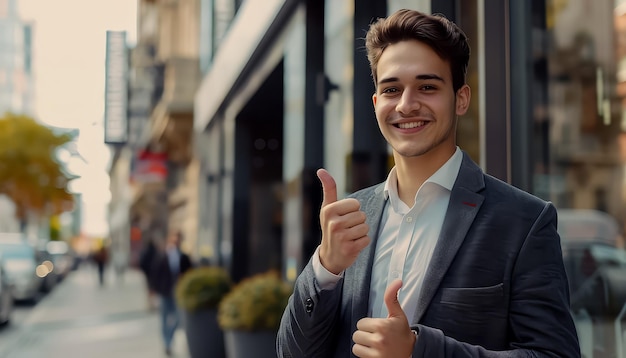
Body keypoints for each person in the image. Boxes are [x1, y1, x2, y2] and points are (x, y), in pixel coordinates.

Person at [276, 9, 580, 358]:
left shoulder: (524, 222)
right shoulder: (352, 217)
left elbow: (554, 354)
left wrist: (419, 350)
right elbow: (291, 353)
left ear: (461, 99)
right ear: (376, 104)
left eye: (427, 86)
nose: (407, 105)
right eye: (392, 89)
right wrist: (325, 268)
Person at [150, 231, 192, 356]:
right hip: (165, 291)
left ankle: (169, 336)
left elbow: (189, 272)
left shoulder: (184, 257)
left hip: (178, 291)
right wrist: (153, 290)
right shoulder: (162, 256)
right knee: (164, 318)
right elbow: (155, 273)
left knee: (178, 318)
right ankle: (167, 343)